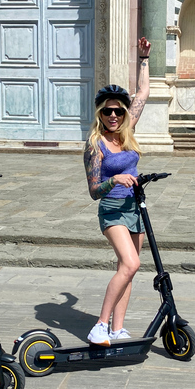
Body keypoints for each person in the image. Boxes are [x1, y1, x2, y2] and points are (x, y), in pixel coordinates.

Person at [83, 36, 151, 346]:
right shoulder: (95, 147)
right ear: (100, 114)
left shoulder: (127, 132)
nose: (114, 116)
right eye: (108, 111)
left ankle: (118, 329)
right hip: (111, 209)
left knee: (129, 269)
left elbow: (144, 93)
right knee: (131, 263)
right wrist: (115, 180)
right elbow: (94, 190)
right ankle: (100, 325)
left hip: (134, 209)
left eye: (119, 112)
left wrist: (143, 59)